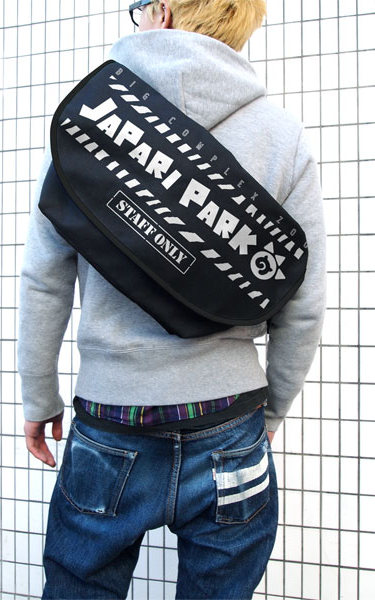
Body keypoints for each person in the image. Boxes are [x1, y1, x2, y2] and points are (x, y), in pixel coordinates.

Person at [18, 1, 326, 598]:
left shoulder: (95, 118)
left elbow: (43, 276)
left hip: (111, 415)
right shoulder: (282, 137)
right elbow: (304, 303)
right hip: (229, 419)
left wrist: (39, 395)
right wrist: (271, 416)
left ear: (161, 12)